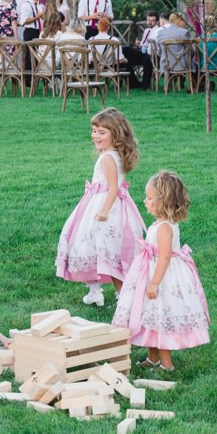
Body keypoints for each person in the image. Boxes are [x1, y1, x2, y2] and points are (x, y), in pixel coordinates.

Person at [112, 170, 212, 372]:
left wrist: (155, 283)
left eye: (149, 198)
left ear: (162, 201)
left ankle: (167, 364)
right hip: (149, 272)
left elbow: (165, 257)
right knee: (149, 315)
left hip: (162, 277)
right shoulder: (160, 224)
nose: (145, 201)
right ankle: (153, 357)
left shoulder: (165, 227)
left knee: (161, 318)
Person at [56, 109, 146, 306]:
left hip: (105, 206)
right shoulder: (113, 154)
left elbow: (113, 187)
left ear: (116, 134)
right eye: (94, 130)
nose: (95, 135)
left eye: (101, 132)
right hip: (107, 203)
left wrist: (104, 211)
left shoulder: (107, 158)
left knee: (99, 248)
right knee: (96, 248)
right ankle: (96, 291)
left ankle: (120, 294)